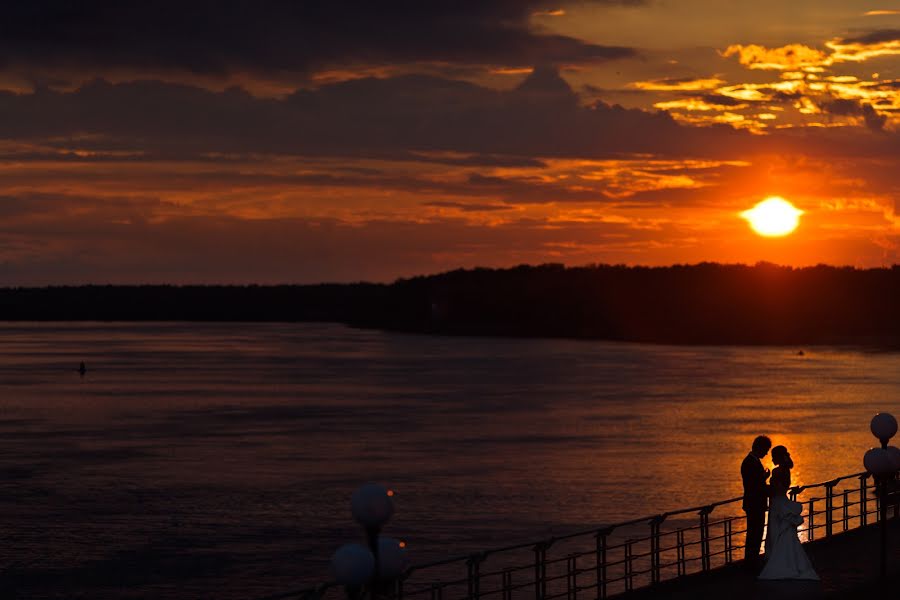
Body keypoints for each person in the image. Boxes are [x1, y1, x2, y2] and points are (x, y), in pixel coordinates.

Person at [758, 446, 819, 580]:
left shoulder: (777, 471)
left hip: (776, 504)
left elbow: (774, 490)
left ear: (778, 457)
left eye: (773, 456)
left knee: (775, 532)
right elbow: (781, 488)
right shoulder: (786, 471)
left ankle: (777, 561)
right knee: (784, 533)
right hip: (781, 501)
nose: (772, 459)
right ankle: (790, 560)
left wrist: (763, 480)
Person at [741, 435, 771, 570]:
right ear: (760, 447)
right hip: (755, 504)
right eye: (766, 449)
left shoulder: (752, 461)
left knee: (755, 533)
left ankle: (752, 562)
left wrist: (763, 478)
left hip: (754, 503)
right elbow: (754, 485)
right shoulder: (750, 462)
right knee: (755, 534)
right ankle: (751, 563)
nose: (766, 453)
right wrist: (764, 479)